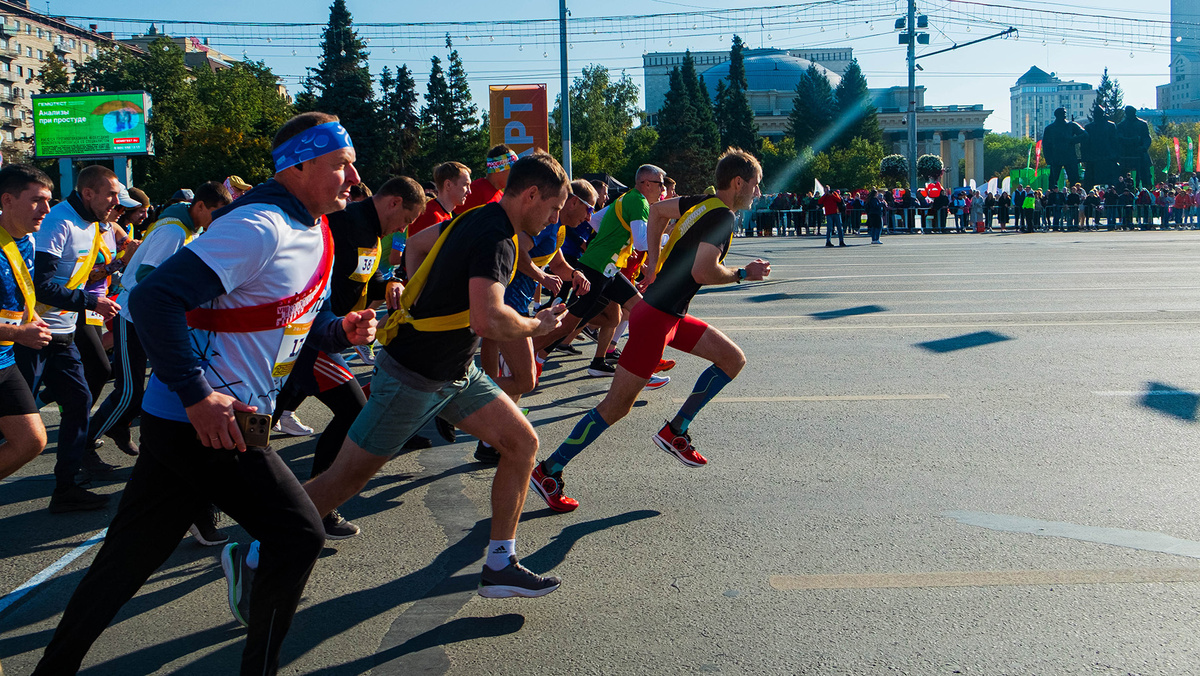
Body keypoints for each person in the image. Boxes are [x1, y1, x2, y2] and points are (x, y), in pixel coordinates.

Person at [33, 112, 377, 676]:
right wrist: (197, 395)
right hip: (211, 419)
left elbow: (288, 313)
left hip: (208, 416)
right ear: (301, 165)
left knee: (127, 559)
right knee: (297, 534)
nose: (354, 177)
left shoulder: (315, 227)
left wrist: (339, 330)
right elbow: (153, 299)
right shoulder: (259, 225)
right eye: (341, 164)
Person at [293, 152, 572, 599]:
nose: (556, 217)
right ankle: (257, 552)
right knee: (342, 480)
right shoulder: (497, 237)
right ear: (532, 194)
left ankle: (500, 563)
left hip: (455, 372)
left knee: (521, 444)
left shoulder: (475, 217)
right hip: (414, 376)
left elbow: (419, 245)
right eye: (555, 206)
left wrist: (415, 294)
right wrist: (537, 325)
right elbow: (487, 319)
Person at [530, 148, 771, 513]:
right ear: (738, 182)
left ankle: (676, 430)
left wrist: (655, 264)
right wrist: (743, 274)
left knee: (731, 360)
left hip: (666, 315)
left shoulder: (701, 203)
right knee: (615, 407)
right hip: (656, 318)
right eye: (755, 185)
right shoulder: (722, 217)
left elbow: (657, 211)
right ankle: (549, 470)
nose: (758, 192)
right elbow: (704, 271)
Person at [269, 176, 427, 538]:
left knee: (261, 420)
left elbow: (358, 279)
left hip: (328, 335)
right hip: (311, 337)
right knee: (353, 409)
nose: (404, 229)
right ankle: (315, 507)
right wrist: (332, 326)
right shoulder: (343, 222)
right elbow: (317, 278)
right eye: (405, 219)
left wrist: (388, 284)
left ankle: (209, 487)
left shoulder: (369, 232)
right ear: (393, 202)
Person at [88, 182, 232, 477]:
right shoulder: (174, 231)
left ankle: (120, 427)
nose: (218, 219)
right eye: (216, 212)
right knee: (129, 391)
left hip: (151, 316)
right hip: (134, 313)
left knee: (151, 390)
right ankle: (83, 445)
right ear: (200, 206)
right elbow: (147, 275)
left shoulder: (191, 227)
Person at [16, 164, 122, 513]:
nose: (115, 202)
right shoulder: (59, 221)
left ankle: (66, 488)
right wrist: (91, 301)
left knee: (79, 402)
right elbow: (42, 284)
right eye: (110, 194)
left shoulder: (92, 223)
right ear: (88, 193)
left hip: (62, 332)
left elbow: (74, 277)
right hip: (32, 335)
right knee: (13, 421)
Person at [476, 179, 597, 463]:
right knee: (525, 378)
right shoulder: (547, 222)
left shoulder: (560, 228)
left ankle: (489, 438)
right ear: (573, 201)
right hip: (509, 303)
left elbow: (554, 263)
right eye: (589, 208)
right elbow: (516, 250)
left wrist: (573, 274)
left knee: (497, 376)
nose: (590, 216)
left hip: (510, 300)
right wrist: (540, 276)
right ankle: (460, 405)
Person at [532, 165, 670, 383]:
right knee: (568, 325)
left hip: (607, 268)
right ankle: (528, 354)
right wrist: (668, 237)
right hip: (597, 267)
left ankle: (637, 365)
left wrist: (616, 239)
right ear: (645, 184)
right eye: (660, 183)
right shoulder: (639, 202)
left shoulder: (626, 198)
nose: (662, 189)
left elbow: (596, 221)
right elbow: (644, 241)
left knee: (634, 312)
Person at [0, 164, 54, 480]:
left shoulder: (27, 240)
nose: (46, 209)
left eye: (48, 200)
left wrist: (31, 318)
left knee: (31, 441)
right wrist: (20, 333)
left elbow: (18, 296)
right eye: (37, 200)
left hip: (4, 361)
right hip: (10, 346)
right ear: (7, 200)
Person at [460, 144, 516, 212]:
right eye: (512, 170)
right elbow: (458, 219)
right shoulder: (475, 190)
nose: (515, 175)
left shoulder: (501, 195)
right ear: (499, 169)